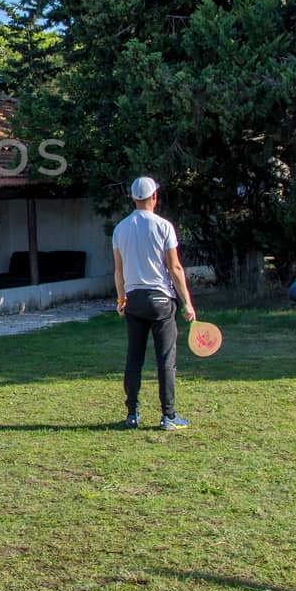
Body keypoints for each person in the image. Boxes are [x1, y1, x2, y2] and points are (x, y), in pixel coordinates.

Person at [111, 176, 196, 431]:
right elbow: (174, 267)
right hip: (161, 300)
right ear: (154, 197)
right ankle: (168, 415)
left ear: (134, 198)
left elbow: (118, 270)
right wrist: (187, 303)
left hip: (134, 299)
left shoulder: (120, 229)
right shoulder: (164, 226)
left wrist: (121, 298)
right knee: (165, 360)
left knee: (134, 358)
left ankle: (132, 414)